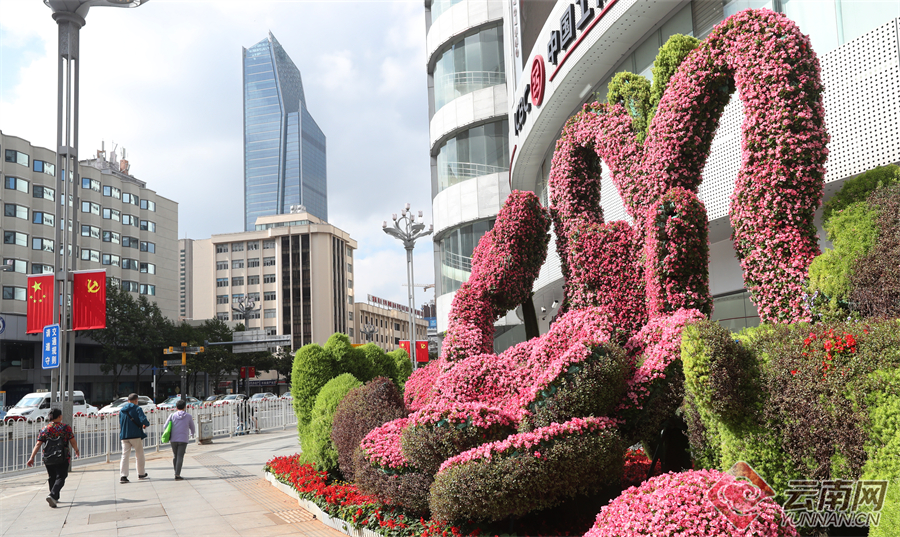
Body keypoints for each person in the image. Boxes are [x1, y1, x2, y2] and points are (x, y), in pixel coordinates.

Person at [26, 408, 80, 508]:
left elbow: (38, 444)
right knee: (61, 476)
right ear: (59, 416)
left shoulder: (45, 429)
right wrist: (76, 449)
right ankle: (52, 495)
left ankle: (54, 497)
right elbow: (72, 441)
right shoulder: (65, 428)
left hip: (48, 457)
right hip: (62, 456)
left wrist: (31, 457)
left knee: (52, 476)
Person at [119, 393, 150, 483]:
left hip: (124, 435)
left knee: (124, 456)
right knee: (139, 455)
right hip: (135, 435)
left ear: (128, 400)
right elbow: (143, 420)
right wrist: (146, 424)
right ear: (136, 400)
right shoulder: (137, 408)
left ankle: (123, 476)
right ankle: (141, 473)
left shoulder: (122, 410)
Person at [164, 400, 195, 480]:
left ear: (176, 407)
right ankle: (177, 474)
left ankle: (176, 472)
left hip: (173, 439)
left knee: (175, 456)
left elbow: (165, 426)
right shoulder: (188, 416)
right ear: (185, 407)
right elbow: (192, 427)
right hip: (183, 439)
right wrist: (192, 434)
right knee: (180, 456)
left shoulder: (172, 415)